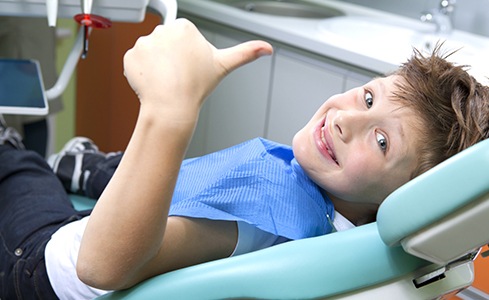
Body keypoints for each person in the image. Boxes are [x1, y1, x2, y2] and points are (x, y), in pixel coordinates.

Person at [1, 18, 488, 299]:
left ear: (398, 197)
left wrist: (168, 113)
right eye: (367, 97)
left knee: (23, 167)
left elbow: (101, 266)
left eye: (382, 141)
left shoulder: (262, 223)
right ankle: (97, 167)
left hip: (41, 266)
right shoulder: (329, 215)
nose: (346, 119)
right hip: (87, 226)